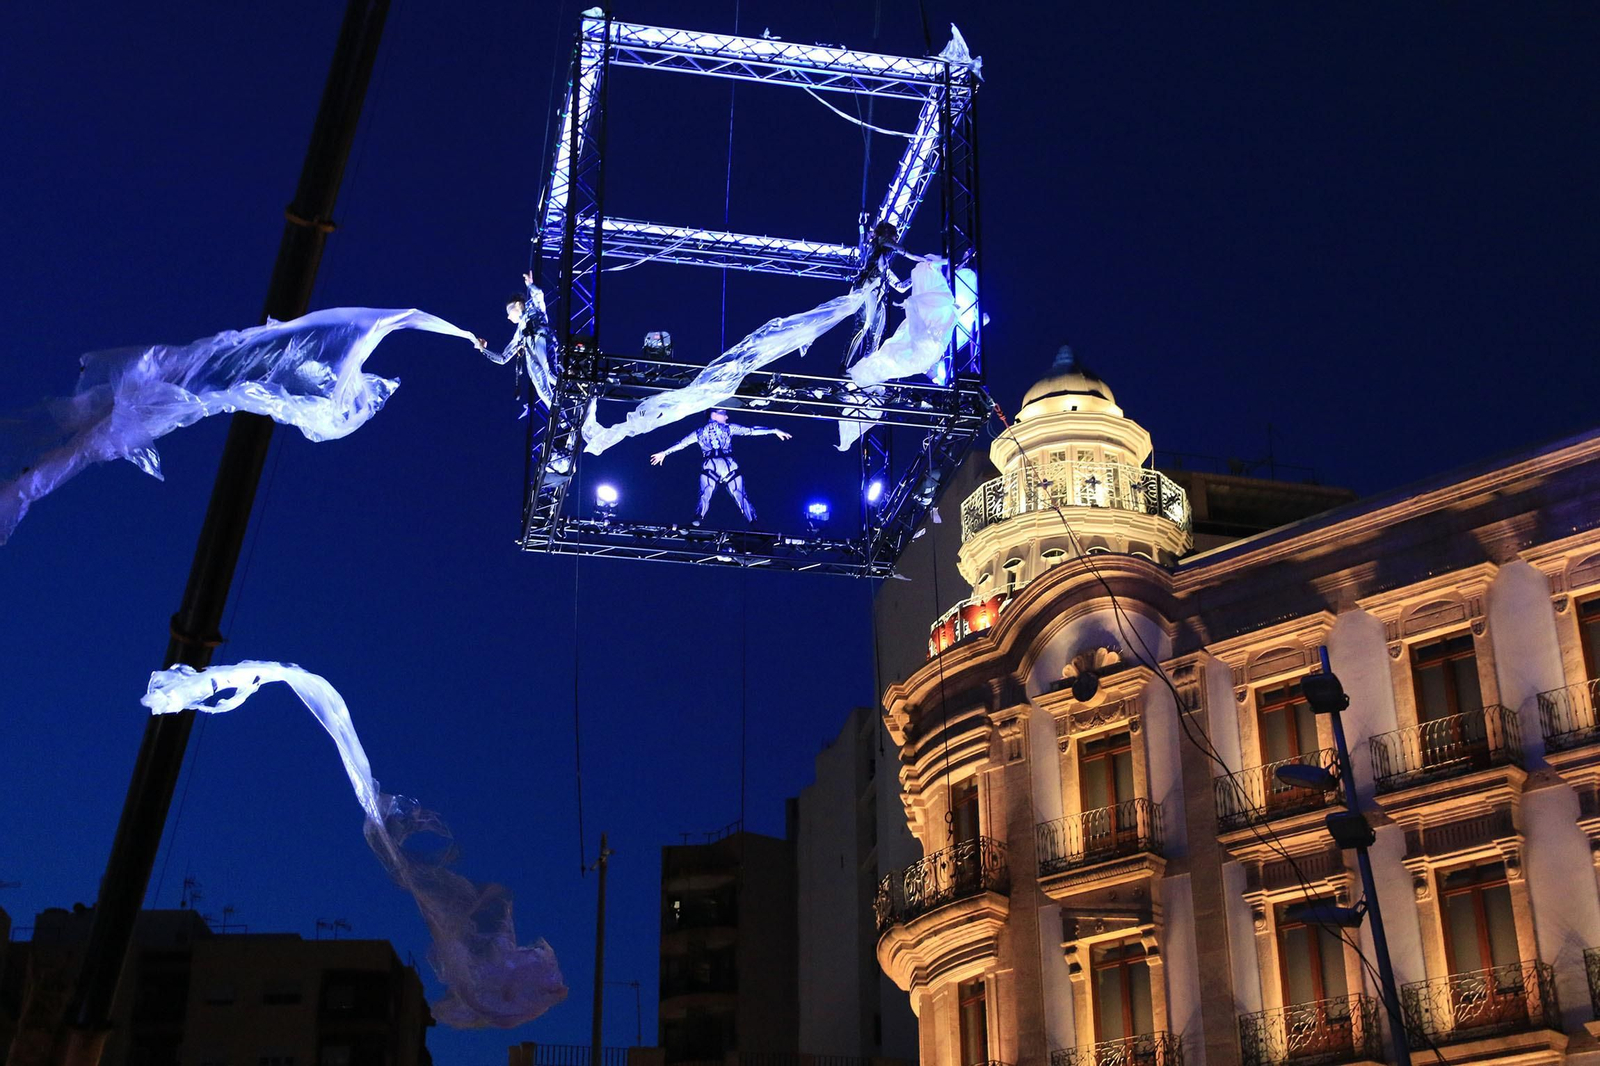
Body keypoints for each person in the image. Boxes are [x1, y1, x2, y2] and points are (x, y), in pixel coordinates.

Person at [649, 408, 792, 526]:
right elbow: (682, 443)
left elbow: (750, 430)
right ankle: (699, 518)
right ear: (714, 414)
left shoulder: (716, 430)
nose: (727, 416)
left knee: (730, 494)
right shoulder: (707, 431)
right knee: (713, 493)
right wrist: (664, 453)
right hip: (720, 464)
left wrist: (773, 430)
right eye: (723, 413)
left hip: (721, 464)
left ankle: (752, 521)